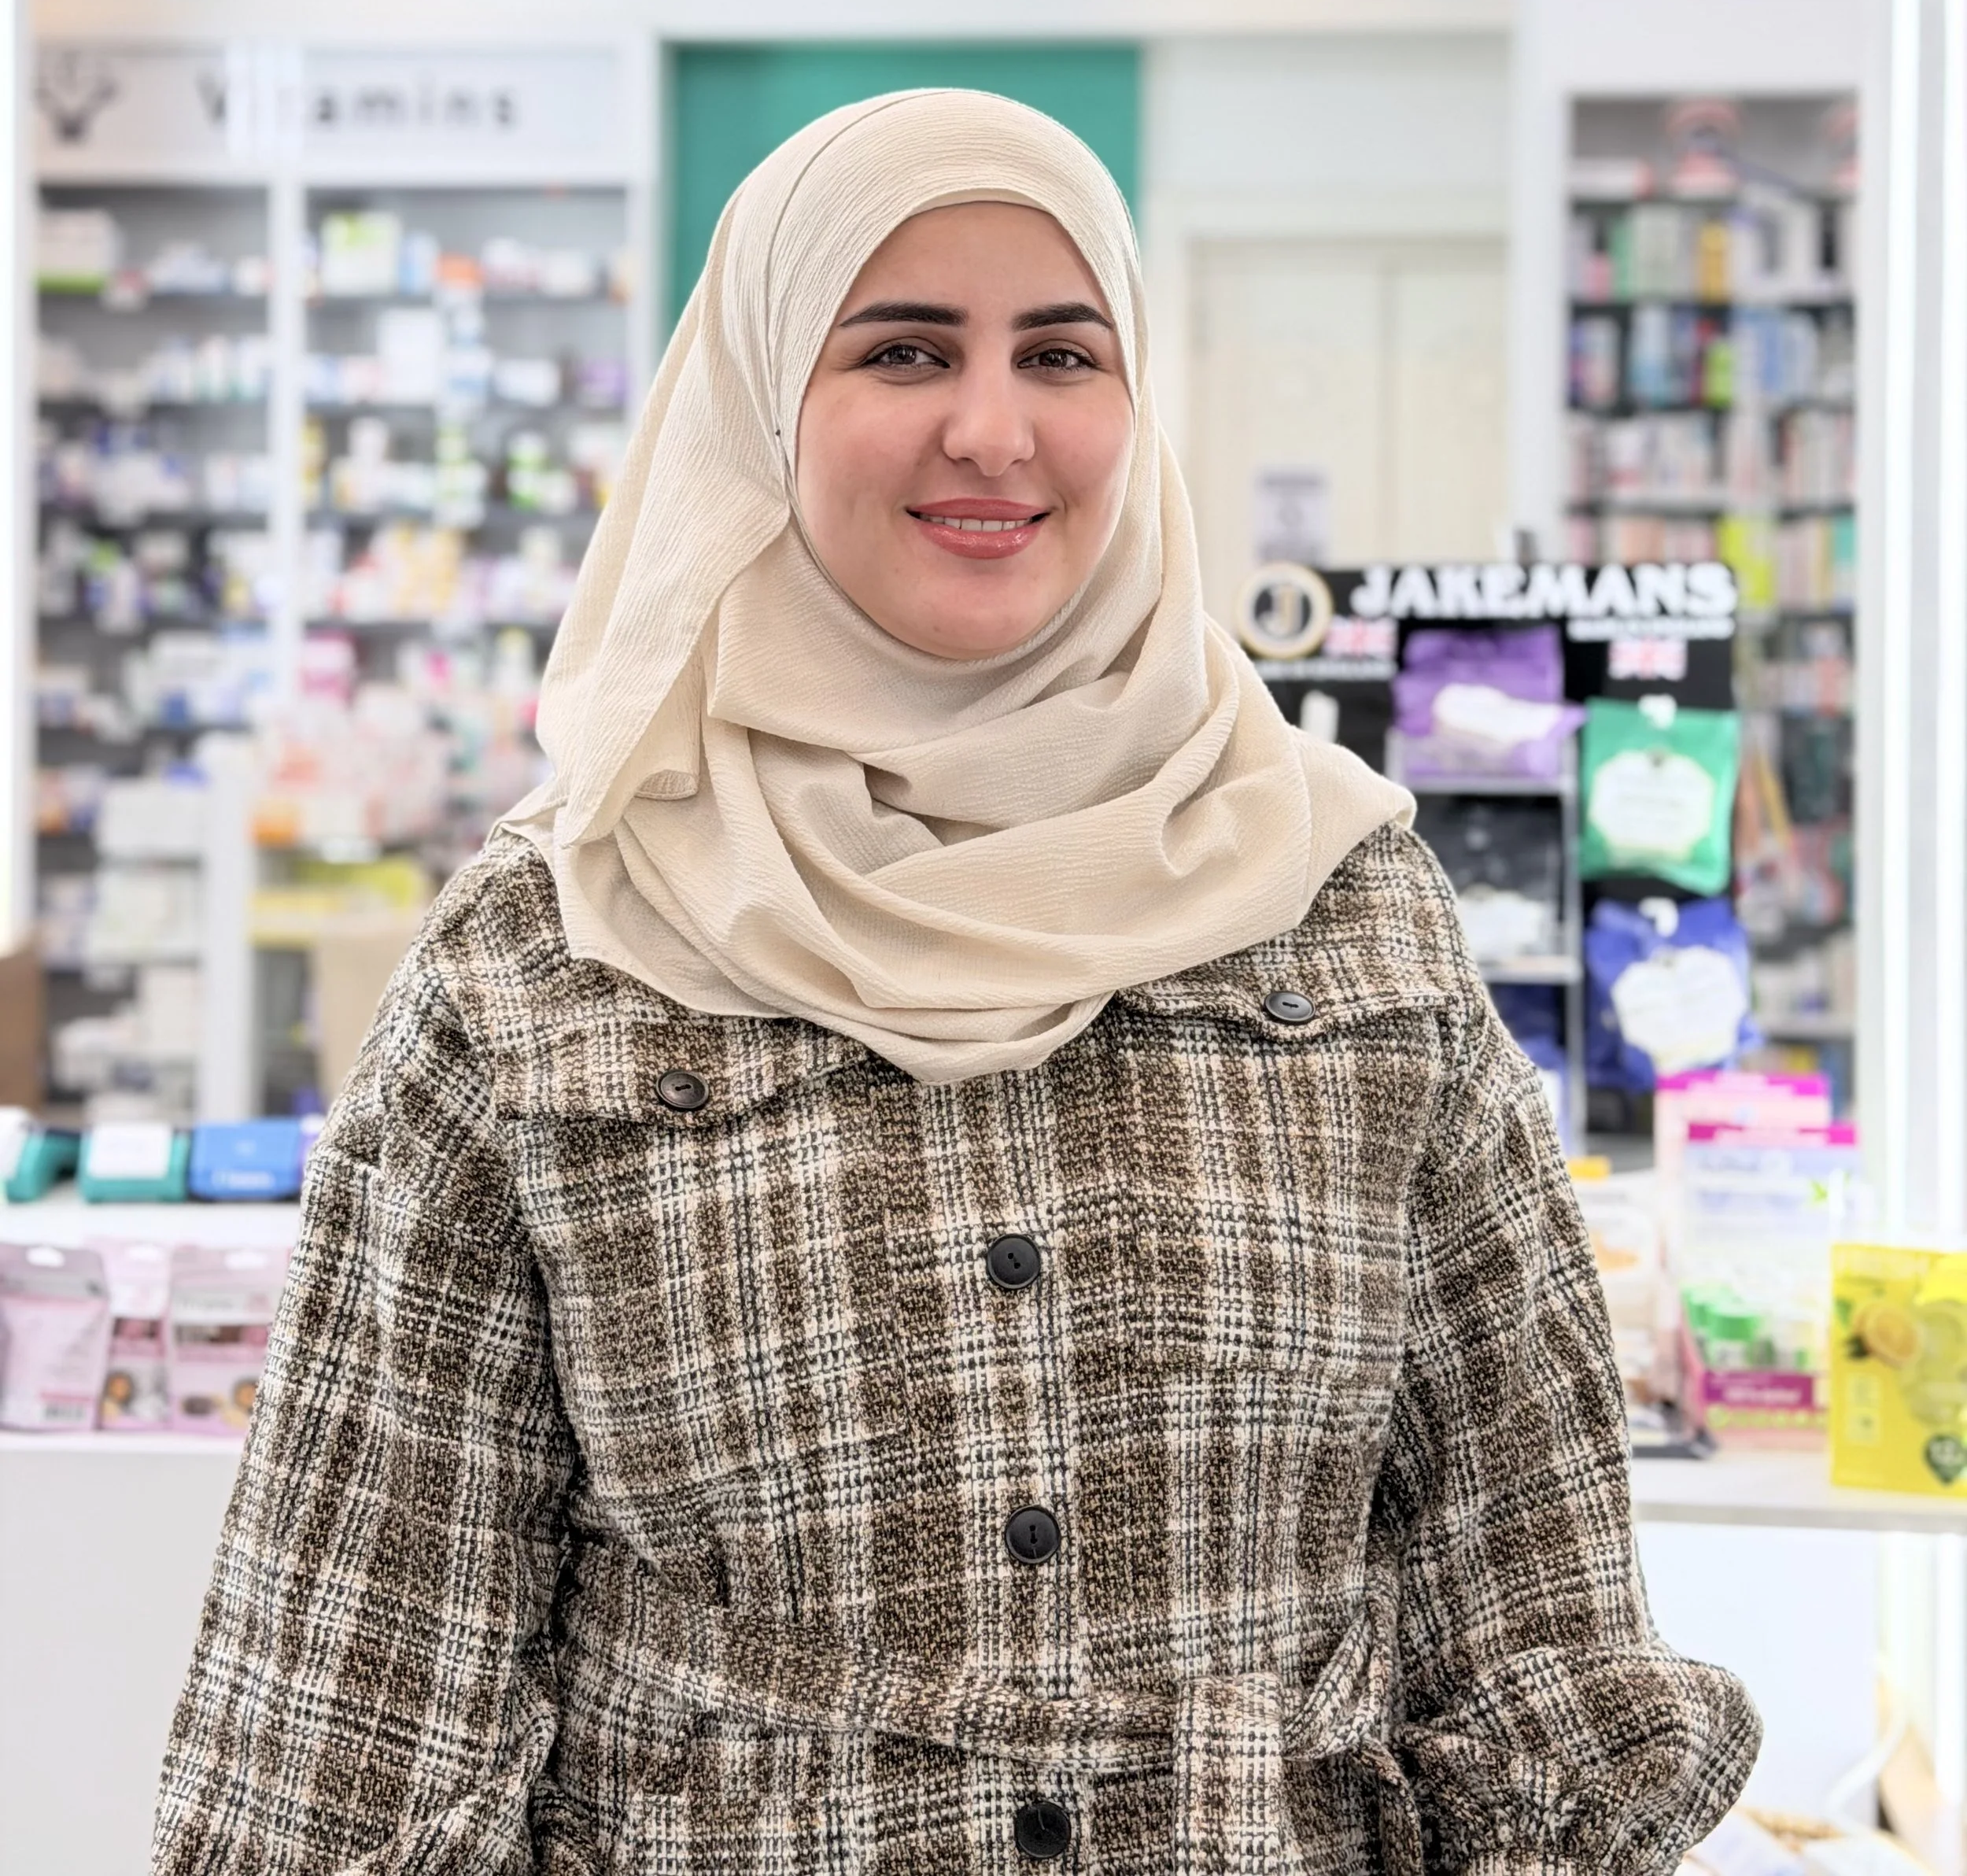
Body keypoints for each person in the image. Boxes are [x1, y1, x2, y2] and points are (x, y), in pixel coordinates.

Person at [154, 90, 1757, 1874]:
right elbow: (351, 1710)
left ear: (1132, 409)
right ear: (764, 402)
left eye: (1058, 354)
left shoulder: (1341, 904)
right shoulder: (548, 954)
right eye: (903, 348)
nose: (990, 428)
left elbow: (1528, 1597)